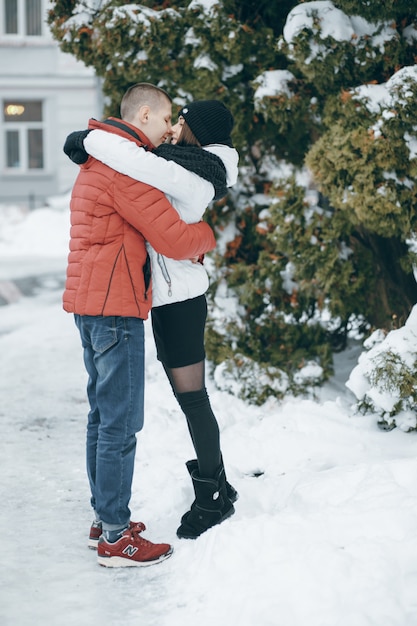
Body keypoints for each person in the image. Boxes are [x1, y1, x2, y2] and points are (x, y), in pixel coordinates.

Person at [65, 99, 239, 539]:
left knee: (192, 399)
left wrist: (89, 140)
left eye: (182, 122)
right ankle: (215, 486)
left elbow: (134, 162)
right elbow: (138, 163)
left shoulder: (198, 174)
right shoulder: (179, 162)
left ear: (198, 131)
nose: (175, 127)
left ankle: (213, 496)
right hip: (161, 299)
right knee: (181, 401)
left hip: (180, 301)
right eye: (173, 118)